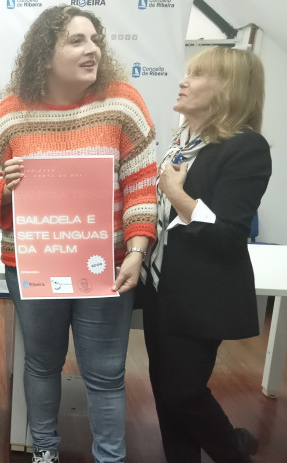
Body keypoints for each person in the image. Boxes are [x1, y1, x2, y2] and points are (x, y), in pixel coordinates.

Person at [0, 5, 157, 463]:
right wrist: (7, 188)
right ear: (45, 54)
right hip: (34, 265)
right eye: (76, 40)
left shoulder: (122, 103)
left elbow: (141, 186)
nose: (92, 48)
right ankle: (44, 452)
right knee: (41, 366)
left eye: (95, 39)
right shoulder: (9, 114)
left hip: (108, 265)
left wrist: (138, 250)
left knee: (106, 373)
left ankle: (110, 458)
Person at [141, 46, 271, 463]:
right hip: (161, 289)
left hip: (201, 296)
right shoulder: (184, 143)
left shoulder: (247, 148)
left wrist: (177, 194)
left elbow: (230, 234)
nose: (184, 81)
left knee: (183, 392)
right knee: (165, 389)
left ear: (228, 90)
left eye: (197, 76)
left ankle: (233, 452)